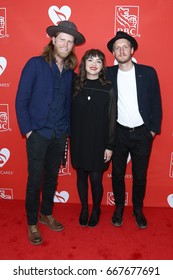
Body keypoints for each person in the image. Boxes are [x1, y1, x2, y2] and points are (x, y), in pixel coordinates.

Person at [15, 21, 85, 245]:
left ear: (73, 45)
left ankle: (46, 214)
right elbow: (21, 100)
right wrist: (28, 131)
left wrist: (68, 133)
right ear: (53, 40)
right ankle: (32, 223)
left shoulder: (70, 73)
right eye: (62, 39)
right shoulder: (35, 64)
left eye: (70, 41)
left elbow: (68, 104)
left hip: (59, 134)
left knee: (51, 179)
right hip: (38, 134)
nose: (66, 43)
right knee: (35, 180)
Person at [106, 31, 162, 229]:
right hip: (118, 132)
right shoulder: (108, 73)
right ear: (113, 52)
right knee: (118, 174)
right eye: (117, 48)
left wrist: (152, 131)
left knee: (140, 176)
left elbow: (156, 102)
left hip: (142, 134)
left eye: (125, 46)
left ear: (132, 49)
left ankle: (138, 209)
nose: (121, 50)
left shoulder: (148, 72)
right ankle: (119, 208)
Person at [70, 49, 116, 227]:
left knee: (96, 179)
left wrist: (109, 145)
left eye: (98, 61)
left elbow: (112, 117)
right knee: (81, 177)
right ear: (84, 63)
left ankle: (96, 209)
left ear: (103, 65)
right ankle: (84, 209)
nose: (94, 64)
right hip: (79, 140)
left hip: (99, 142)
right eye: (90, 60)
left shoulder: (108, 87)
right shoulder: (75, 83)